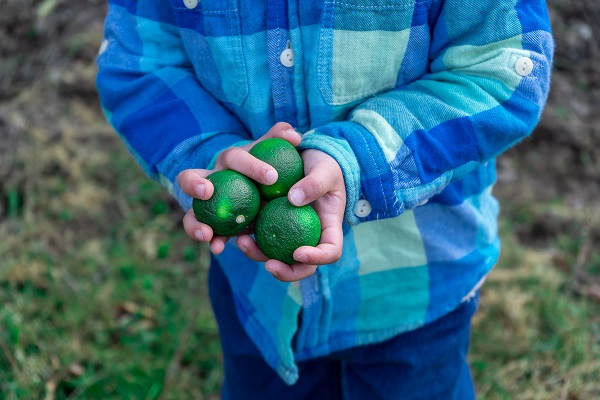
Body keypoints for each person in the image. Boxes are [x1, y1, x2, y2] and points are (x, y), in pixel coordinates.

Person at [96, 0, 554, 398]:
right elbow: (137, 63)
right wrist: (211, 156)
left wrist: (356, 157)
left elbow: (505, 66)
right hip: (258, 296)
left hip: (416, 293)